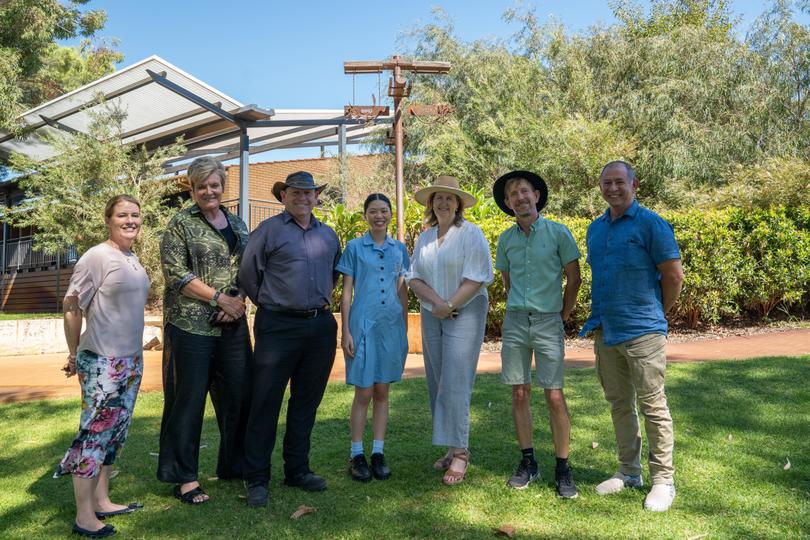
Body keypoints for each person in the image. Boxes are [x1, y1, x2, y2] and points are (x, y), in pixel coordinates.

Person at [581, 160, 684, 512]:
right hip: (606, 330)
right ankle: (628, 472)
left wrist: (656, 314)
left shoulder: (652, 224)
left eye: (619, 182)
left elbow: (673, 276)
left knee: (653, 405)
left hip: (643, 331)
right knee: (619, 404)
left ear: (634, 184)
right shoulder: (595, 229)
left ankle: (663, 481)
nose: (612, 188)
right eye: (606, 182)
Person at [238, 171, 342, 507]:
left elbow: (334, 276)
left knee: (305, 404)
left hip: (320, 327)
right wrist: (272, 304)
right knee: (265, 401)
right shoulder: (268, 231)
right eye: (295, 192)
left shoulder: (329, 235)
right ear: (283, 196)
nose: (303, 197)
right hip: (277, 327)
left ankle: (297, 469)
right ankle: (256, 477)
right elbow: (248, 275)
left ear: (316, 197)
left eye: (308, 193)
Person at [157, 156, 252, 505]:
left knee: (240, 397)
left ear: (223, 186)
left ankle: (234, 464)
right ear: (192, 189)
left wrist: (237, 300)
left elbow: (247, 269)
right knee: (188, 402)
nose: (208, 191)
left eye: (214, 185)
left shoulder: (239, 224)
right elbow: (175, 274)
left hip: (233, 325)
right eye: (201, 186)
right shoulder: (180, 223)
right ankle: (185, 478)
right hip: (190, 326)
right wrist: (218, 300)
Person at [55, 194, 150, 538]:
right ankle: (84, 517)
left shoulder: (131, 258)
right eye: (122, 215)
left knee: (115, 435)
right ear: (109, 220)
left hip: (131, 361)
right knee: (94, 436)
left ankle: (103, 500)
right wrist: (72, 352)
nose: (130, 220)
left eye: (135, 215)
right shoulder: (96, 257)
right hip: (102, 362)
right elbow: (71, 304)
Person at [493, 171, 582, 498]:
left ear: (536, 195)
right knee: (519, 393)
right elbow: (507, 281)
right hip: (516, 321)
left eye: (524, 191)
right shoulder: (506, 240)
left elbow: (574, 279)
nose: (520, 197)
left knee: (554, 395)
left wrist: (562, 315)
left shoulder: (559, 233)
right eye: (513, 194)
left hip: (548, 322)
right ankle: (528, 461)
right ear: (508, 203)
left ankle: (562, 466)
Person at [407, 175, 493, 486]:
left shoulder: (471, 234)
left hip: (466, 310)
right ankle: (449, 445)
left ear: (458, 204)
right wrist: (437, 304)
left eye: (449, 198)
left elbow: (479, 276)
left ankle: (461, 453)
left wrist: (450, 304)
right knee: (437, 378)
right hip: (433, 311)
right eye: (438, 197)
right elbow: (414, 276)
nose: (443, 202)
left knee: (457, 378)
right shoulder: (425, 237)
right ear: (431, 203)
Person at [337, 193, 410, 482]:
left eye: (383, 211)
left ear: (390, 214)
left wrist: (403, 327)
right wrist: (346, 331)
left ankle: (378, 452)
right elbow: (345, 292)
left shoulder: (399, 249)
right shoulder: (354, 248)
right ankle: (357, 453)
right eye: (373, 211)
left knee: (382, 391)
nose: (379, 216)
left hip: (390, 327)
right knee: (364, 391)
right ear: (365, 215)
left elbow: (402, 287)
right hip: (362, 325)